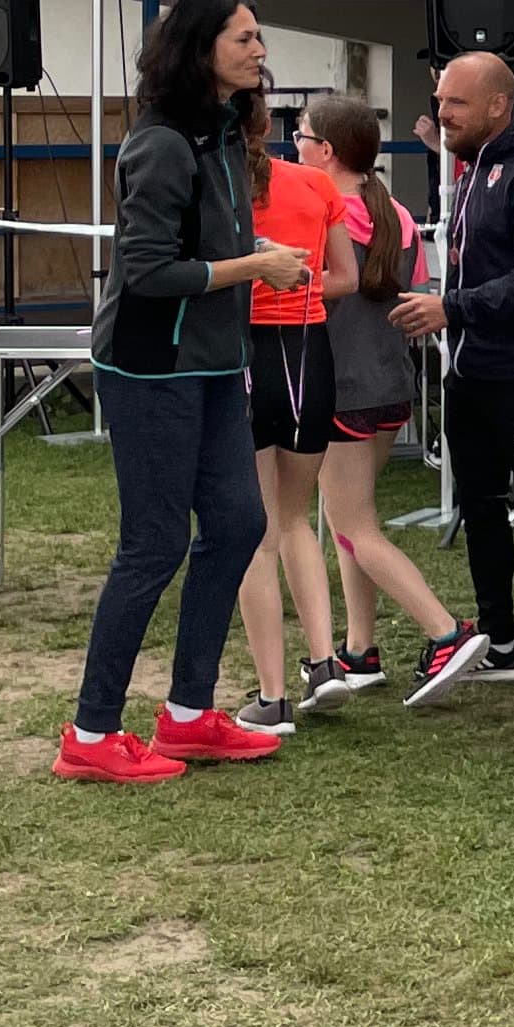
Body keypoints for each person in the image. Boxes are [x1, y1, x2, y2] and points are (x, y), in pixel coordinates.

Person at [63, 0, 306, 783]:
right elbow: (147, 271)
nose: (259, 51)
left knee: (237, 524)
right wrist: (255, 265)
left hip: (213, 364)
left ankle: (188, 715)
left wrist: (253, 257)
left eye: (259, 37)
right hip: (150, 367)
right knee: (155, 542)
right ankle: (92, 733)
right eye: (244, 38)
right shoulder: (162, 144)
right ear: (201, 49)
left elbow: (209, 247)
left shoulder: (226, 131)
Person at [392, 49, 514, 703]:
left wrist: (451, 308)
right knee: (478, 506)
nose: (441, 112)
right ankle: (501, 644)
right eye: (440, 100)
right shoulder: (475, 165)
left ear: (499, 105)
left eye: (455, 102)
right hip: (471, 370)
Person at [294, 96, 481, 703]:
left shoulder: (321, 212)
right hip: (390, 385)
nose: (294, 147)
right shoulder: (395, 211)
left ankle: (446, 631)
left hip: (342, 387)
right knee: (351, 522)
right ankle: (359, 651)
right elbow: (414, 292)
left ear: (325, 151)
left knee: (354, 527)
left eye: (300, 137)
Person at [229, 97, 357, 734]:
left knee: (255, 530)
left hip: (244, 354)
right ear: (269, 128)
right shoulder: (315, 184)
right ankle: (325, 662)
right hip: (309, 354)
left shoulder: (217, 188)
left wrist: (260, 279)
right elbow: (346, 276)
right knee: (296, 518)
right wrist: (298, 280)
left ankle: (273, 696)